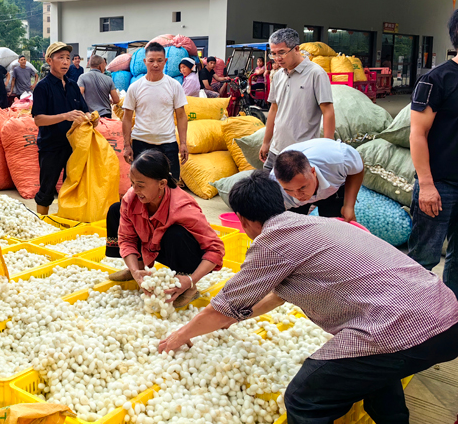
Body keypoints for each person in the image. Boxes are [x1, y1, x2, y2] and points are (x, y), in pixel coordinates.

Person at [158, 171, 458, 424]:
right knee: (373, 366)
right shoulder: (319, 223)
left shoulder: (272, 243)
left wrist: (178, 337)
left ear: (243, 220)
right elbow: (277, 295)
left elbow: (221, 308)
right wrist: (237, 318)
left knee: (303, 399)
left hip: (404, 328)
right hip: (446, 315)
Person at [105, 151, 224, 309]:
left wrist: (191, 280)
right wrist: (135, 271)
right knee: (116, 210)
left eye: (140, 185)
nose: (134, 189)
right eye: (132, 182)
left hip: (183, 253)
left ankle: (188, 286)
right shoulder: (132, 197)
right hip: (151, 245)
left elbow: (216, 249)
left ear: (162, 184)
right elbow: (127, 238)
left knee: (176, 233)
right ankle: (139, 272)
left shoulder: (182, 207)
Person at [408, 9, 458, 298]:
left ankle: (450, 315)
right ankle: (412, 314)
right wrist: (426, 185)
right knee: (423, 259)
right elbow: (417, 133)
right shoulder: (437, 80)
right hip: (439, 186)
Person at [260, 28, 335, 171]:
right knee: (266, 184)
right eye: (273, 54)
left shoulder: (316, 74)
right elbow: (273, 110)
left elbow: (328, 111)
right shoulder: (278, 75)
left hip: (301, 153)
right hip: (276, 149)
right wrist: (266, 142)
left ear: (296, 49)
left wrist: (327, 148)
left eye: (282, 52)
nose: (277, 58)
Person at [31, 42, 92, 215]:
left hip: (73, 146)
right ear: (49, 60)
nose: (65, 62)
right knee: (47, 189)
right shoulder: (42, 87)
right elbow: (38, 120)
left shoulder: (73, 86)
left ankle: (66, 220)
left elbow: (84, 110)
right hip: (51, 146)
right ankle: (41, 223)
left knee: (71, 187)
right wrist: (65, 116)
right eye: (61, 58)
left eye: (68, 58)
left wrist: (90, 118)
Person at [121, 41, 188, 181]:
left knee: (171, 185)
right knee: (141, 185)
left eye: (159, 60)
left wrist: (183, 143)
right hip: (141, 143)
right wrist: (127, 145)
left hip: (168, 143)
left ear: (165, 61)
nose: (155, 64)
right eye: (151, 61)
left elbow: (181, 116)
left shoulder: (174, 85)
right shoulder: (135, 87)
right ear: (145, 61)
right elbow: (126, 118)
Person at [270, 138, 364, 221]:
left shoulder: (339, 160)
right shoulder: (275, 189)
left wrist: (349, 206)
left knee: (335, 227)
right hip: (292, 203)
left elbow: (357, 168)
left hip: (332, 191)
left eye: (302, 187)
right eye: (289, 190)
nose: (298, 195)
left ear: (313, 172)